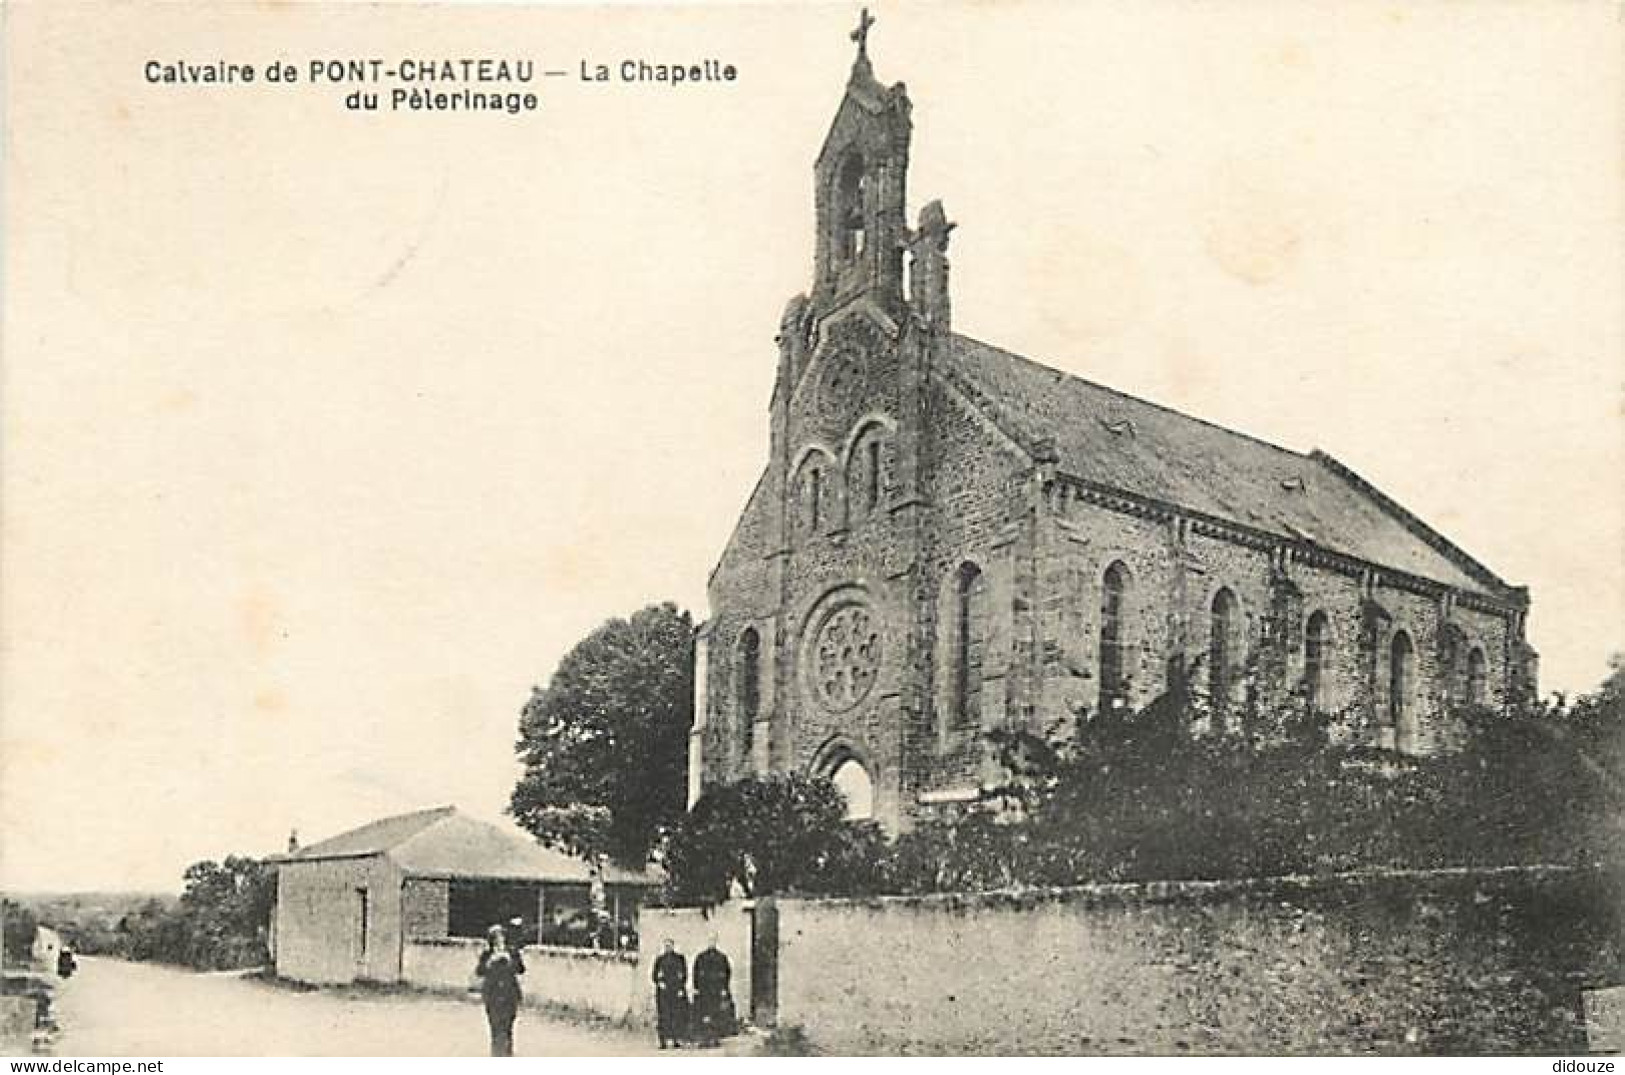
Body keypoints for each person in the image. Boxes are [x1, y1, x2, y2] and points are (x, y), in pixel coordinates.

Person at [473, 924, 525, 1057]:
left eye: (501, 937)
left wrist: (510, 960)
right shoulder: (487, 954)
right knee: (495, 1024)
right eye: (496, 938)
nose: (499, 940)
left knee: (508, 1025)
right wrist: (489, 962)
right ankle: (496, 1053)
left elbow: (521, 969)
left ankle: (508, 1053)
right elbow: (479, 972)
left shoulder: (512, 951)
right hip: (493, 993)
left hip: (509, 993)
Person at [690, 935, 737, 1047]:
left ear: (716, 942)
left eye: (713, 941)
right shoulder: (701, 957)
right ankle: (704, 1039)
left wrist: (724, 988)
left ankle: (715, 1038)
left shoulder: (721, 957)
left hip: (716, 991)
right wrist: (696, 988)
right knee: (703, 1014)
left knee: (716, 1015)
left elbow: (727, 974)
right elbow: (696, 973)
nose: (711, 943)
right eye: (710, 941)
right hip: (704, 991)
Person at [651, 938, 689, 1049]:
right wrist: (659, 983)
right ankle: (663, 1041)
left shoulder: (679, 959)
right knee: (663, 1017)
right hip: (663, 993)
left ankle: (676, 1039)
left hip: (675, 991)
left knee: (676, 1016)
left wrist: (680, 988)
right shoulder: (659, 960)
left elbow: (684, 974)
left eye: (670, 945)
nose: (668, 948)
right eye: (666, 946)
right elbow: (654, 975)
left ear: (673, 946)